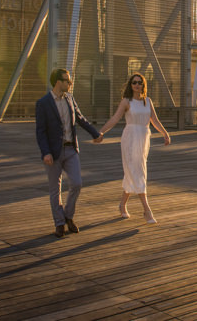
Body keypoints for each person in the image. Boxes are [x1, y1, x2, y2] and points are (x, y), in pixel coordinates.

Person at [36, 68, 103, 238]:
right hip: (53, 151)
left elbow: (80, 119)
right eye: (68, 80)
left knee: (77, 183)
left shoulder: (70, 99)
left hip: (71, 149)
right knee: (54, 190)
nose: (70, 83)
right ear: (58, 82)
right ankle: (59, 223)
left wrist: (96, 134)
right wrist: (46, 153)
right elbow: (41, 132)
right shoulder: (43, 103)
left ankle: (68, 215)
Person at [98, 72, 170, 224]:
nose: (137, 85)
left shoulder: (147, 101)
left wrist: (165, 133)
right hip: (130, 138)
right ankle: (147, 210)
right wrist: (101, 131)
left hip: (144, 138)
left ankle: (122, 204)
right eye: (134, 83)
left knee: (134, 171)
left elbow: (154, 120)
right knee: (138, 171)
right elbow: (115, 118)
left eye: (140, 82)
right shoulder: (126, 101)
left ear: (144, 85)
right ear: (131, 86)